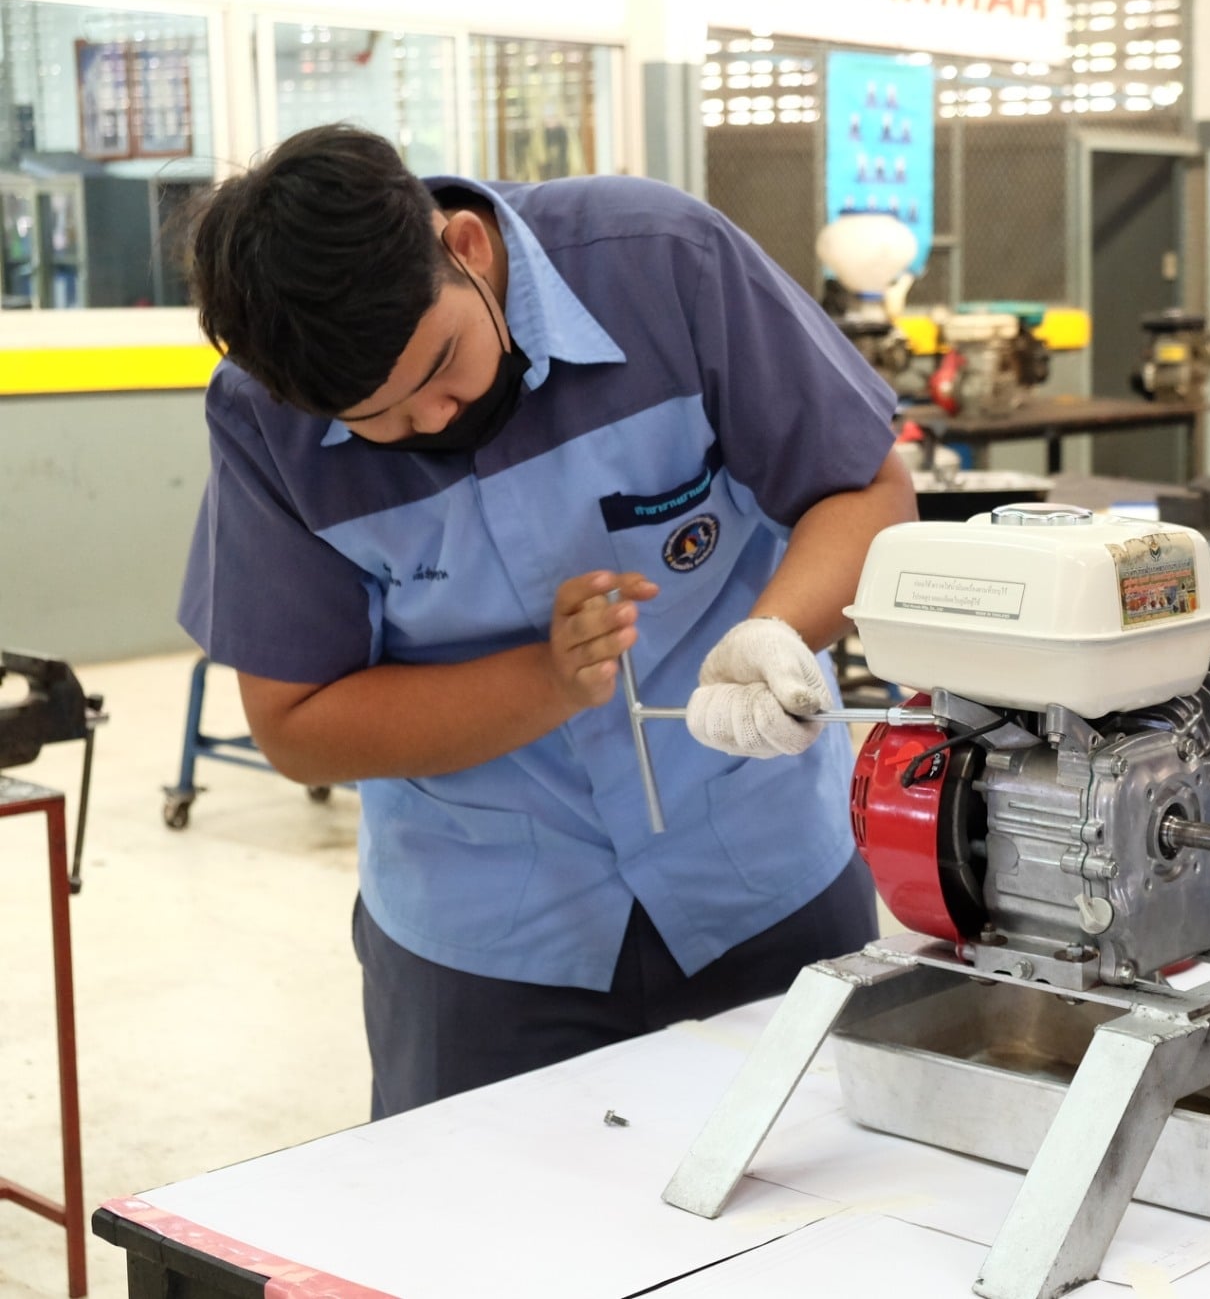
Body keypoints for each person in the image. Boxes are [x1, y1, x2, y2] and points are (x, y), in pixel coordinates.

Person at [178, 124, 915, 1118]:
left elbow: (865, 487)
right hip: (487, 939)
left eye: (438, 366)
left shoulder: (661, 263)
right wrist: (543, 682)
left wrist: (776, 633)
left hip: (761, 874)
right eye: (377, 424)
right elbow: (296, 725)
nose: (429, 421)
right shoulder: (262, 420)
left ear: (465, 248)